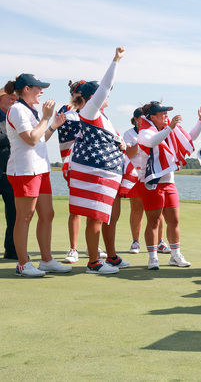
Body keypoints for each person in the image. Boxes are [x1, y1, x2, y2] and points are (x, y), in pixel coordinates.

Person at [68, 47, 130, 274]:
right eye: (103, 95)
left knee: (104, 217)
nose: (108, 97)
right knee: (95, 216)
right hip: (97, 174)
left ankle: (110, 257)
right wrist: (116, 60)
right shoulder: (90, 111)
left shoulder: (102, 116)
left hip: (108, 173)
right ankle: (94, 262)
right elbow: (104, 87)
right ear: (92, 97)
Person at [3, 74, 71, 276]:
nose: (42, 91)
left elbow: (40, 137)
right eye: (38, 88)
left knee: (47, 214)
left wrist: (52, 125)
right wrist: (45, 118)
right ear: (26, 89)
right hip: (24, 170)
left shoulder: (30, 110)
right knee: (25, 216)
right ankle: (23, 264)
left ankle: (47, 260)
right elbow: (31, 139)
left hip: (40, 169)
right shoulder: (17, 109)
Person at [137, 101, 201, 270]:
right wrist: (170, 127)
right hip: (152, 183)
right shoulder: (145, 132)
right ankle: (153, 257)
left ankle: (175, 256)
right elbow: (152, 142)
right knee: (153, 222)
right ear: (153, 117)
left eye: (167, 114)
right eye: (163, 114)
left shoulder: (170, 131)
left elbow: (189, 138)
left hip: (169, 183)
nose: (167, 116)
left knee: (174, 221)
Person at [58, 80, 108, 263]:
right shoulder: (67, 111)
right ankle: (73, 248)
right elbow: (71, 134)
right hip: (75, 163)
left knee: (94, 208)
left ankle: (91, 246)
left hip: (93, 164)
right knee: (77, 209)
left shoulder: (96, 112)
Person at [123, 108, 170, 255]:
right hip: (136, 174)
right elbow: (129, 153)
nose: (144, 119)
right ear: (136, 119)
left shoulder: (154, 131)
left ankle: (160, 241)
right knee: (137, 209)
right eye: (141, 117)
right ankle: (135, 242)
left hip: (154, 173)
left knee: (158, 210)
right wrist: (142, 143)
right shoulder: (129, 133)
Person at [0, 87, 18, 260]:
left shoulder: (15, 117)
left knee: (13, 212)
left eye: (16, 99)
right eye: (11, 99)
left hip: (9, 172)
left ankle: (11, 249)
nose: (14, 102)